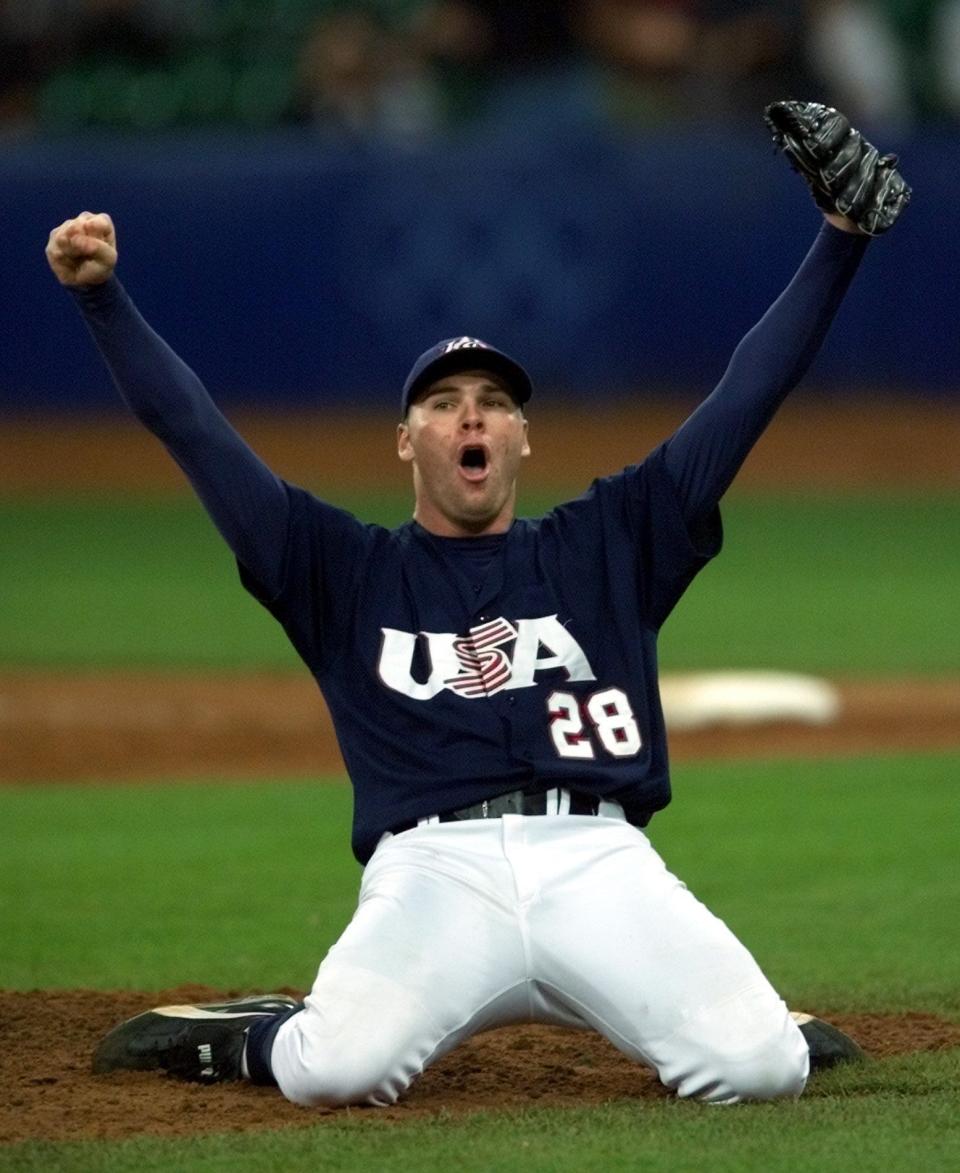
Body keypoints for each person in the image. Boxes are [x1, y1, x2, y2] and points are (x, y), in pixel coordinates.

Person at [47, 105, 904, 1107]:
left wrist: (840, 242)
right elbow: (191, 428)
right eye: (445, 402)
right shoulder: (339, 569)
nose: (471, 416)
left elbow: (744, 396)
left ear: (521, 439)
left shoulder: (608, 542)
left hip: (598, 862)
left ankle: (743, 1012)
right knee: (337, 1071)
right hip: (432, 875)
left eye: (493, 403)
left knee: (760, 1069)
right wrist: (103, 300)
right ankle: (252, 1034)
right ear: (406, 441)